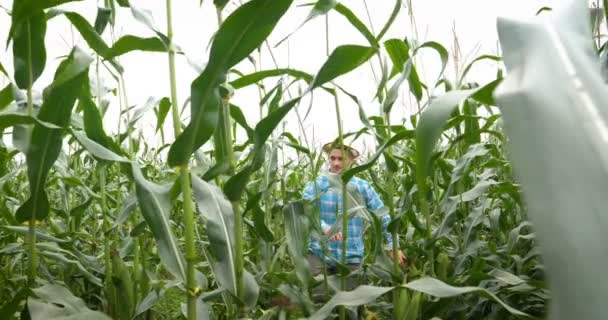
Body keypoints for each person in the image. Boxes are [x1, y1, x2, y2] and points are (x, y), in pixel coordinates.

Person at [302, 140, 406, 286]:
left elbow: (382, 215)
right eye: (332, 158)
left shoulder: (362, 187)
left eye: (341, 159)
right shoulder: (316, 185)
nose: (336, 163)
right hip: (319, 255)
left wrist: (392, 246)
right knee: (319, 301)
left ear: (351, 160)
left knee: (351, 305)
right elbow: (306, 212)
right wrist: (324, 227)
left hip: (351, 258)